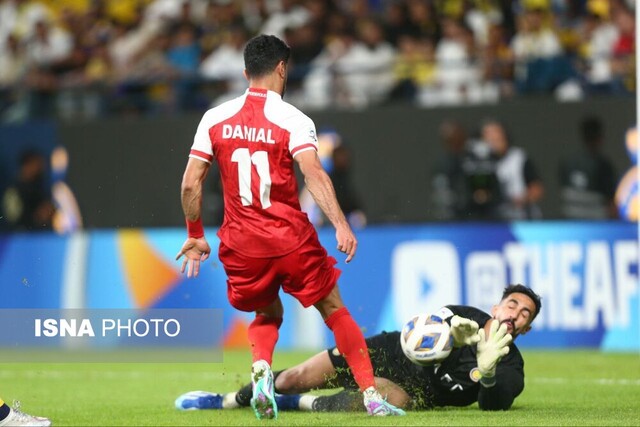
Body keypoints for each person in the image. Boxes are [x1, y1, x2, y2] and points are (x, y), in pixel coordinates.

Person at [174, 34, 404, 419]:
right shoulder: (294, 119)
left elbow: (189, 183)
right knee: (334, 311)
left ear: (246, 72)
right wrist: (341, 224)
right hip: (289, 240)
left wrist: (195, 234)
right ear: (282, 68)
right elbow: (313, 173)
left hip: (243, 244)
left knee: (267, 315)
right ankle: (370, 395)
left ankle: (262, 369)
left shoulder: (214, 118)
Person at [176, 284, 541, 413]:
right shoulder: (466, 316)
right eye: (512, 305)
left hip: (414, 390)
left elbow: (493, 407)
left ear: (526, 327)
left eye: (525, 314)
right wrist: (456, 336)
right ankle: (225, 400)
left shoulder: (512, 368)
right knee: (299, 376)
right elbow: (422, 328)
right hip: (388, 350)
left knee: (384, 399)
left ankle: (293, 405)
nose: (516, 314)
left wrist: (488, 371)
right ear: (498, 307)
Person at [480, 119, 544, 220]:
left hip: (521, 215)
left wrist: (523, 199)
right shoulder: (481, 162)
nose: (492, 138)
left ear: (504, 135)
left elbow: (537, 189)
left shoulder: (519, 158)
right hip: (494, 217)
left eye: (495, 133)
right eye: (487, 134)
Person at [559, 116, 618, 219]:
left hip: (571, 221)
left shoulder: (567, 162)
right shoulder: (603, 165)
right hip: (594, 224)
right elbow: (611, 203)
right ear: (600, 137)